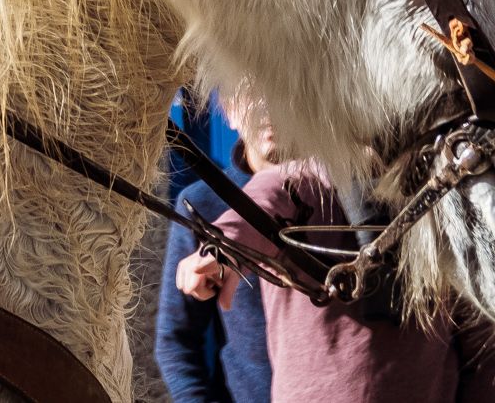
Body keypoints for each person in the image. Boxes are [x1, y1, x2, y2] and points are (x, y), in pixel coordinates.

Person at [176, 157, 495, 401]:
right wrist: (222, 252)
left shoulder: (440, 191)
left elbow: (482, 336)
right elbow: (261, 206)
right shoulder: (300, 181)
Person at [155, 89, 275, 403]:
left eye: (280, 92)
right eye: (253, 94)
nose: (268, 110)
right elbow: (175, 341)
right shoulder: (201, 204)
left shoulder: (335, 198)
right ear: (231, 112)